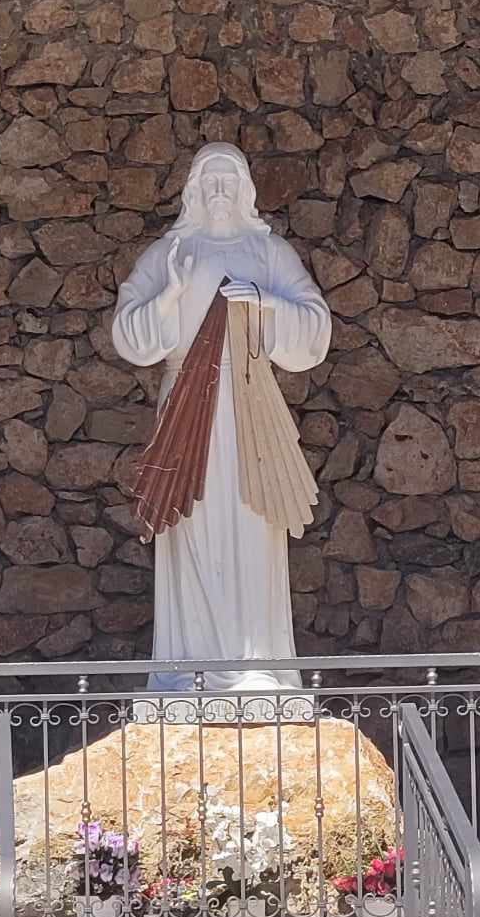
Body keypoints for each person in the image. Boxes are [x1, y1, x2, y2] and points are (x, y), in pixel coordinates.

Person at [112, 143, 331, 695]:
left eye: (227, 181)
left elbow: (315, 324)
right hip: (188, 409)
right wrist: (170, 297)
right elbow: (128, 332)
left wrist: (265, 301)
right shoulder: (170, 252)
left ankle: (256, 665)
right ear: (192, 190)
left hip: (251, 406)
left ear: (244, 190)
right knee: (190, 525)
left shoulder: (268, 252)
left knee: (254, 525)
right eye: (208, 181)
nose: (217, 191)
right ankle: (191, 666)